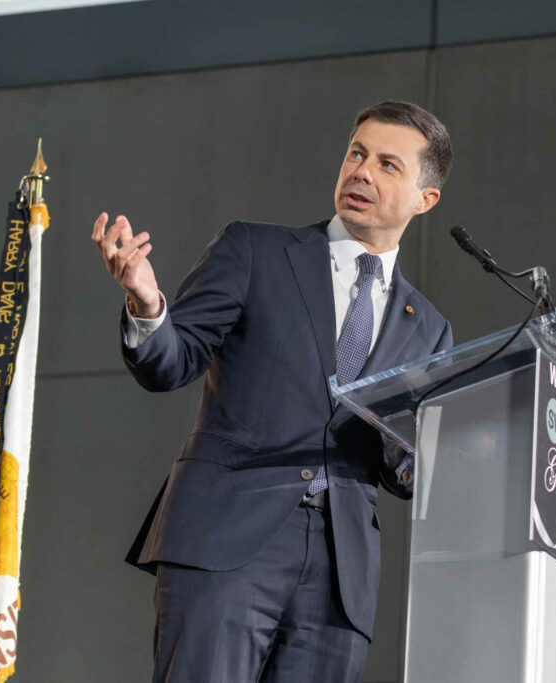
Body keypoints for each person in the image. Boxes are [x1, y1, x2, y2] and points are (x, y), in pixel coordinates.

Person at [91, 101, 453, 682]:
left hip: (339, 578)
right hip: (228, 537)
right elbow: (171, 361)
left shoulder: (428, 328)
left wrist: (429, 451)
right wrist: (148, 304)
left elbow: (405, 473)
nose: (361, 171)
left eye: (388, 164)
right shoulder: (255, 251)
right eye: (356, 153)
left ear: (423, 198)